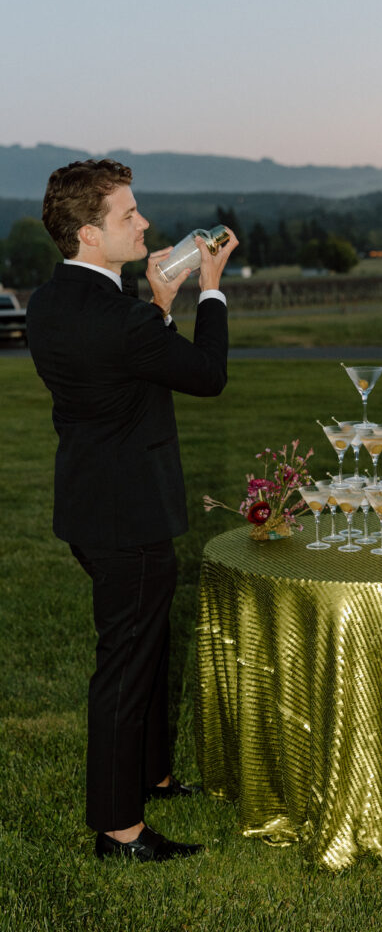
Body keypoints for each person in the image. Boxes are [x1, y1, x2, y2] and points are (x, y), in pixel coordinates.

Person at [27, 158, 238, 862]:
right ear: (89, 234)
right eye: (128, 215)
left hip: (90, 507)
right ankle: (119, 829)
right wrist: (208, 291)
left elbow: (123, 364)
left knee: (147, 646)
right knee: (125, 663)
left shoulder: (52, 301)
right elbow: (205, 376)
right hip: (131, 516)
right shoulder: (117, 318)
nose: (144, 223)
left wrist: (156, 303)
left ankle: (152, 773)